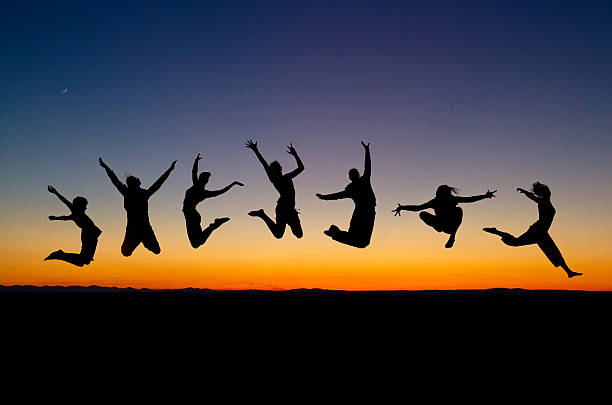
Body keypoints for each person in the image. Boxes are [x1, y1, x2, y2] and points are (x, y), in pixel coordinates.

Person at [483, 182, 582, 278]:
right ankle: (496, 231)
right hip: (537, 231)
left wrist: (525, 192)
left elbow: (534, 197)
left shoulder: (546, 201)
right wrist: (525, 192)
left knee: (554, 252)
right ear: (544, 193)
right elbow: (533, 198)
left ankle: (569, 272)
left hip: (542, 232)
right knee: (518, 243)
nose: (549, 193)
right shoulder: (542, 201)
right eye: (546, 192)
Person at [99, 157, 175, 256]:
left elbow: (158, 183)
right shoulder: (130, 192)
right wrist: (106, 167)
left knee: (156, 251)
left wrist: (169, 170)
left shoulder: (136, 193)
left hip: (142, 228)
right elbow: (114, 180)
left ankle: (142, 239)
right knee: (126, 252)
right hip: (134, 229)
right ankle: (141, 239)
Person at [393, 185, 496, 248]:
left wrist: (485, 196)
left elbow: (470, 199)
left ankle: (452, 236)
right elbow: (417, 208)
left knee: (458, 210)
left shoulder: (450, 200)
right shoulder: (435, 201)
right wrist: (402, 207)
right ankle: (444, 230)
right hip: (440, 224)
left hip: (450, 226)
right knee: (422, 214)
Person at [316, 141, 376, 248]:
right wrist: (325, 197)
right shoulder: (355, 187)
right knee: (362, 242)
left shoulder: (363, 181)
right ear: (352, 177)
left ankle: (334, 232)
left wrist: (367, 151)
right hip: (363, 213)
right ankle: (335, 232)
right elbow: (337, 196)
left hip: (366, 213)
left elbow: (367, 166)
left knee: (360, 241)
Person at [245, 139, 304, 239]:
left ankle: (262, 214)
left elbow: (264, 163)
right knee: (279, 234)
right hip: (282, 210)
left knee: (298, 234)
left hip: (289, 210)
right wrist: (295, 154)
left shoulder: (281, 178)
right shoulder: (279, 178)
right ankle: (262, 215)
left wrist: (255, 150)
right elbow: (301, 168)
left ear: (279, 170)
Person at [183, 153, 244, 248]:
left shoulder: (197, 187)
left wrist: (196, 161)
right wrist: (233, 184)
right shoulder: (205, 193)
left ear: (201, 179)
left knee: (196, 243)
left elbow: (194, 172)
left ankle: (215, 225)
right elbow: (221, 191)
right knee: (198, 242)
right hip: (193, 215)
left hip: (191, 215)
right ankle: (215, 224)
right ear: (206, 181)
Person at [44, 185, 102, 267]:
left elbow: (66, 207)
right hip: (89, 236)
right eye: (84, 206)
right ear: (79, 206)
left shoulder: (76, 212)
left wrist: (56, 193)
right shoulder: (78, 212)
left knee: (82, 262)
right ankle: (59, 254)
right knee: (85, 260)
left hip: (90, 235)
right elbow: (66, 206)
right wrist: (56, 218)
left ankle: (60, 255)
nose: (86, 208)